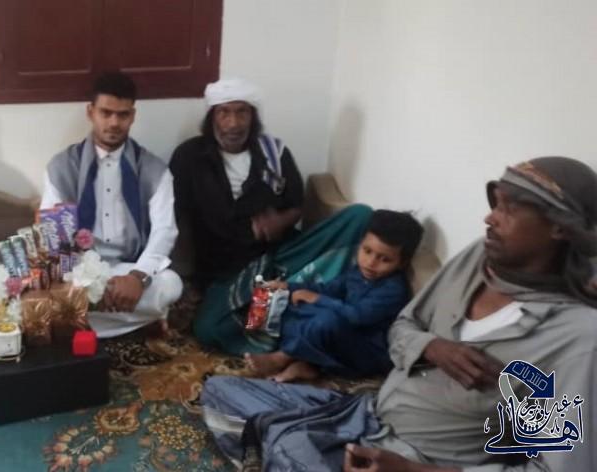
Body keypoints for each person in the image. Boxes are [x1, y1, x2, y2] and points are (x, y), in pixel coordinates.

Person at [201, 156, 597, 471]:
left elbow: (552, 467)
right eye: (496, 203)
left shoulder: (576, 337)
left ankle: (287, 447)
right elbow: (403, 327)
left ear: (560, 229)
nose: (490, 218)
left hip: (419, 458)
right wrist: (431, 346)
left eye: (510, 209)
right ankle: (294, 447)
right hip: (363, 414)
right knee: (221, 392)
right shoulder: (478, 258)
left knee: (290, 443)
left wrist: (413, 471)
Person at [172, 78, 373, 355]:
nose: (233, 123)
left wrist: (280, 221)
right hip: (227, 269)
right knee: (208, 329)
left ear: (253, 116)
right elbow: (177, 218)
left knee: (360, 216)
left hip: (281, 255)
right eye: (224, 112)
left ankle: (282, 297)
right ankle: (283, 309)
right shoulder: (189, 156)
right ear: (212, 117)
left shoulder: (274, 152)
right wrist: (186, 279)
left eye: (242, 112)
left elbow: (296, 204)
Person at [40, 72, 182, 338]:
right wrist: (85, 281)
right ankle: (139, 320)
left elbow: (165, 231)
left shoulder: (154, 170)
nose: (114, 123)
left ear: (133, 116)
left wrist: (137, 277)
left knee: (171, 284)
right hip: (79, 271)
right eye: (106, 113)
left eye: (123, 115)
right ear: (90, 112)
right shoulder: (61, 167)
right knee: (49, 289)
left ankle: (79, 321)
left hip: (129, 268)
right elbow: (54, 236)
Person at [245, 210, 424, 383]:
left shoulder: (392, 289)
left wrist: (316, 299)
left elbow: (357, 316)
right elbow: (328, 289)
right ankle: (307, 364)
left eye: (384, 259)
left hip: (365, 353)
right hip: (340, 337)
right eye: (367, 251)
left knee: (327, 320)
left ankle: (281, 358)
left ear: (402, 263)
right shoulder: (357, 272)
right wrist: (289, 287)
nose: (371, 262)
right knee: (292, 302)